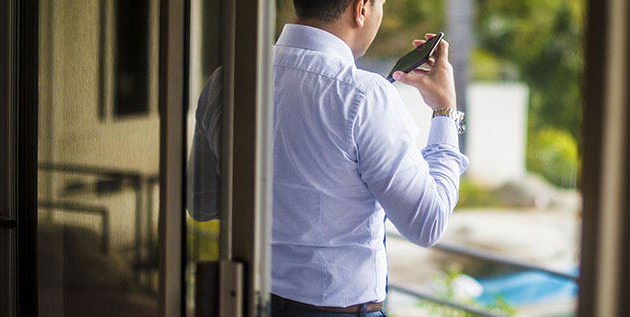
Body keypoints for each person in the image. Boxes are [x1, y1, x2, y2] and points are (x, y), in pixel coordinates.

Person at [187, 0, 469, 315]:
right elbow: (428, 223)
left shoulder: (225, 80)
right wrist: (446, 110)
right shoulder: (364, 95)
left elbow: (201, 204)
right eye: (381, 5)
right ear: (361, 8)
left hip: (246, 301)